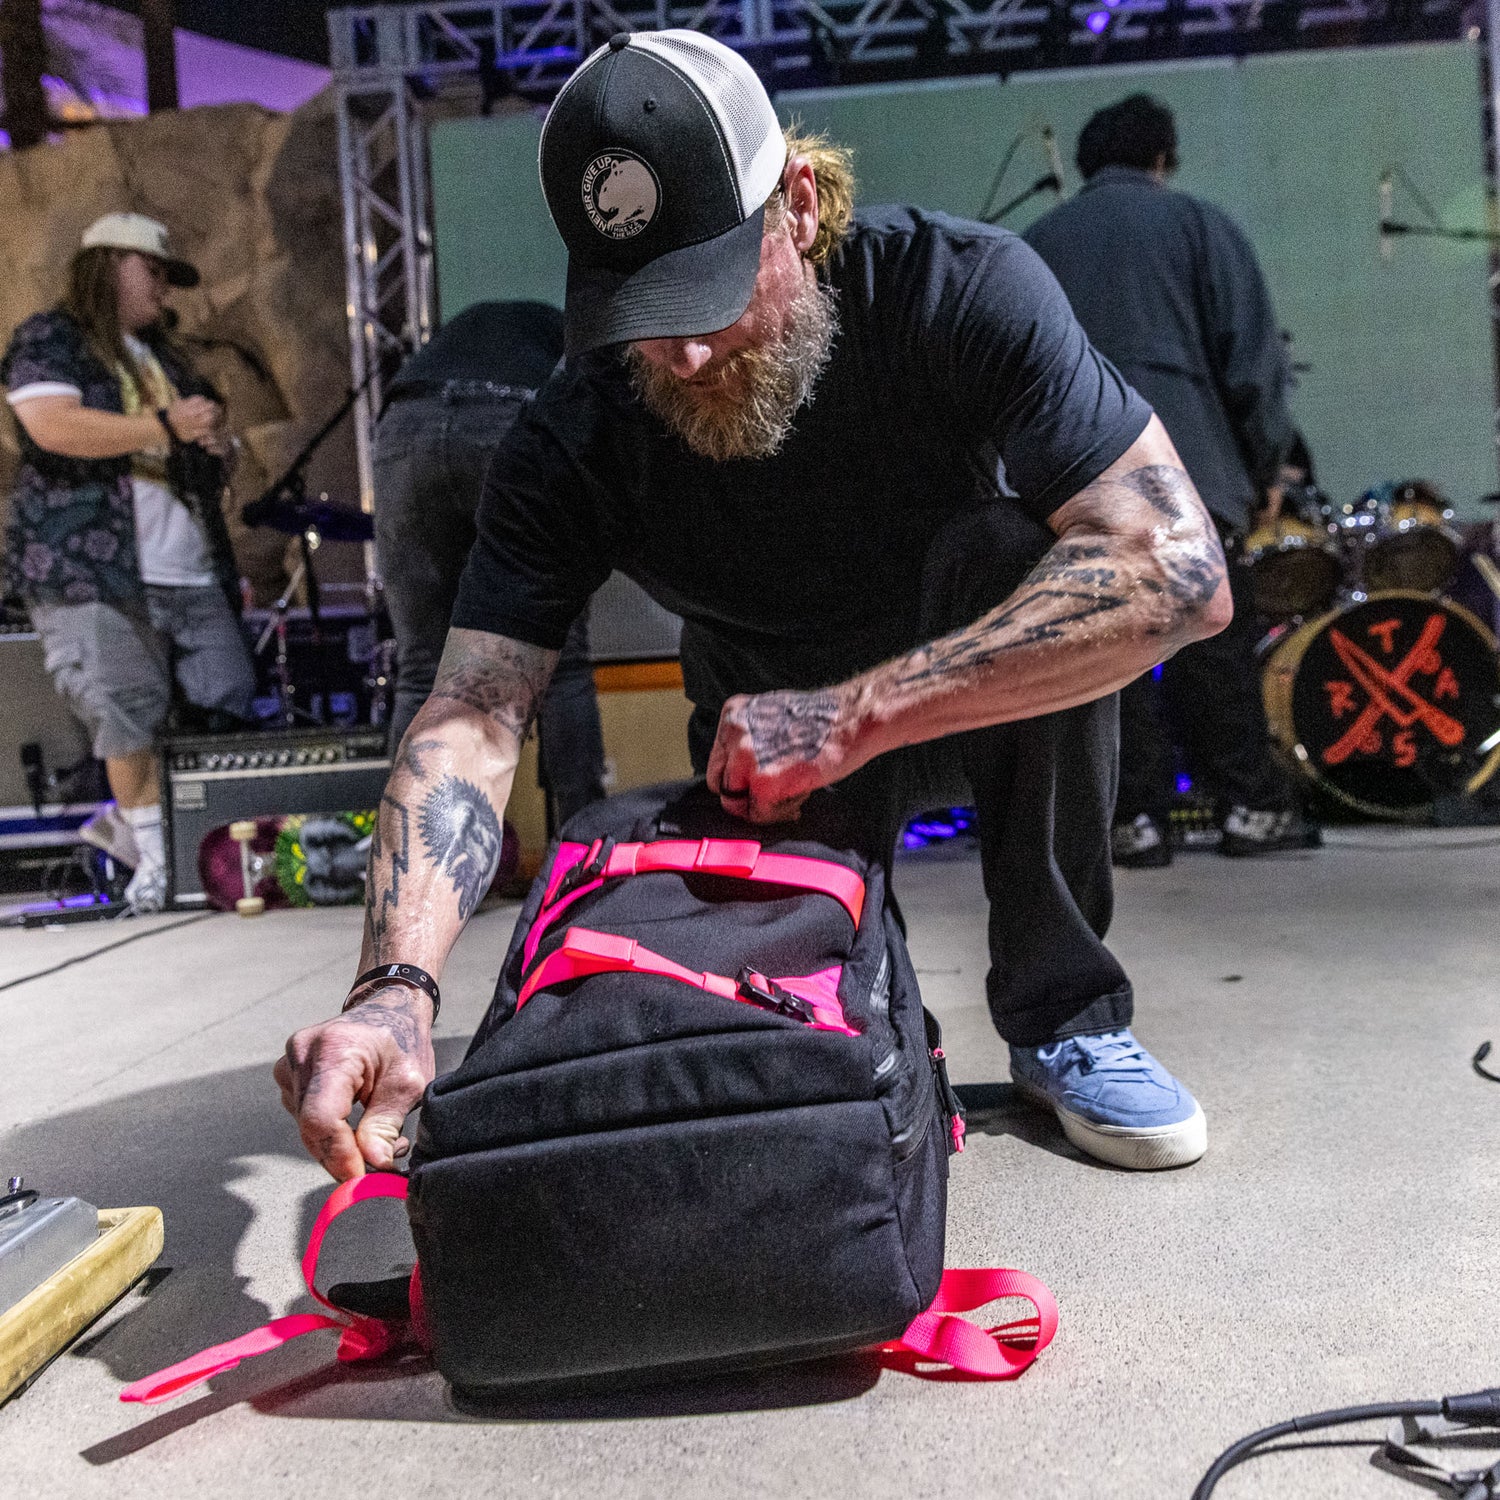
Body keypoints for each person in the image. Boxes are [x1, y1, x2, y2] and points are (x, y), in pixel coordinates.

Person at [276, 31, 1234, 1183]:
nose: (679, 352)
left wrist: (855, 713)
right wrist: (395, 987)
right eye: (639, 309)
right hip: (762, 744)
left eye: (708, 292)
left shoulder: (954, 289)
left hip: (971, 705)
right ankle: (861, 1030)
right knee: (780, 1036)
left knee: (1012, 552)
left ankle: (1067, 1016)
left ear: (800, 203)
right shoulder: (577, 431)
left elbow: (1179, 570)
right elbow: (475, 709)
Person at [1025, 94, 1310, 867]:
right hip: (1190, 473)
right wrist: (1261, 472)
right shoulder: (1201, 227)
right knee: (1209, 644)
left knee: (1105, 651)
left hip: (1075, 482)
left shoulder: (1038, 242)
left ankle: (1132, 820)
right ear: (1162, 157)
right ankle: (1250, 807)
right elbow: (1251, 363)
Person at [2, 212, 254, 911]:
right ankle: (154, 862)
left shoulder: (164, 359)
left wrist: (215, 448)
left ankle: (172, 837)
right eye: (156, 274)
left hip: (186, 568)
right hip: (90, 566)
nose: (165, 293)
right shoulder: (53, 339)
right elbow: (51, 424)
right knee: (126, 708)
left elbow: (205, 443)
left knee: (227, 691)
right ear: (111, 264)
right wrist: (165, 426)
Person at [374, 300, 605, 827]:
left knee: (421, 668)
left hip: (405, 427)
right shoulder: (574, 336)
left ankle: (407, 855)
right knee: (562, 661)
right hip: (508, 418)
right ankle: (582, 849)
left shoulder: (465, 331)